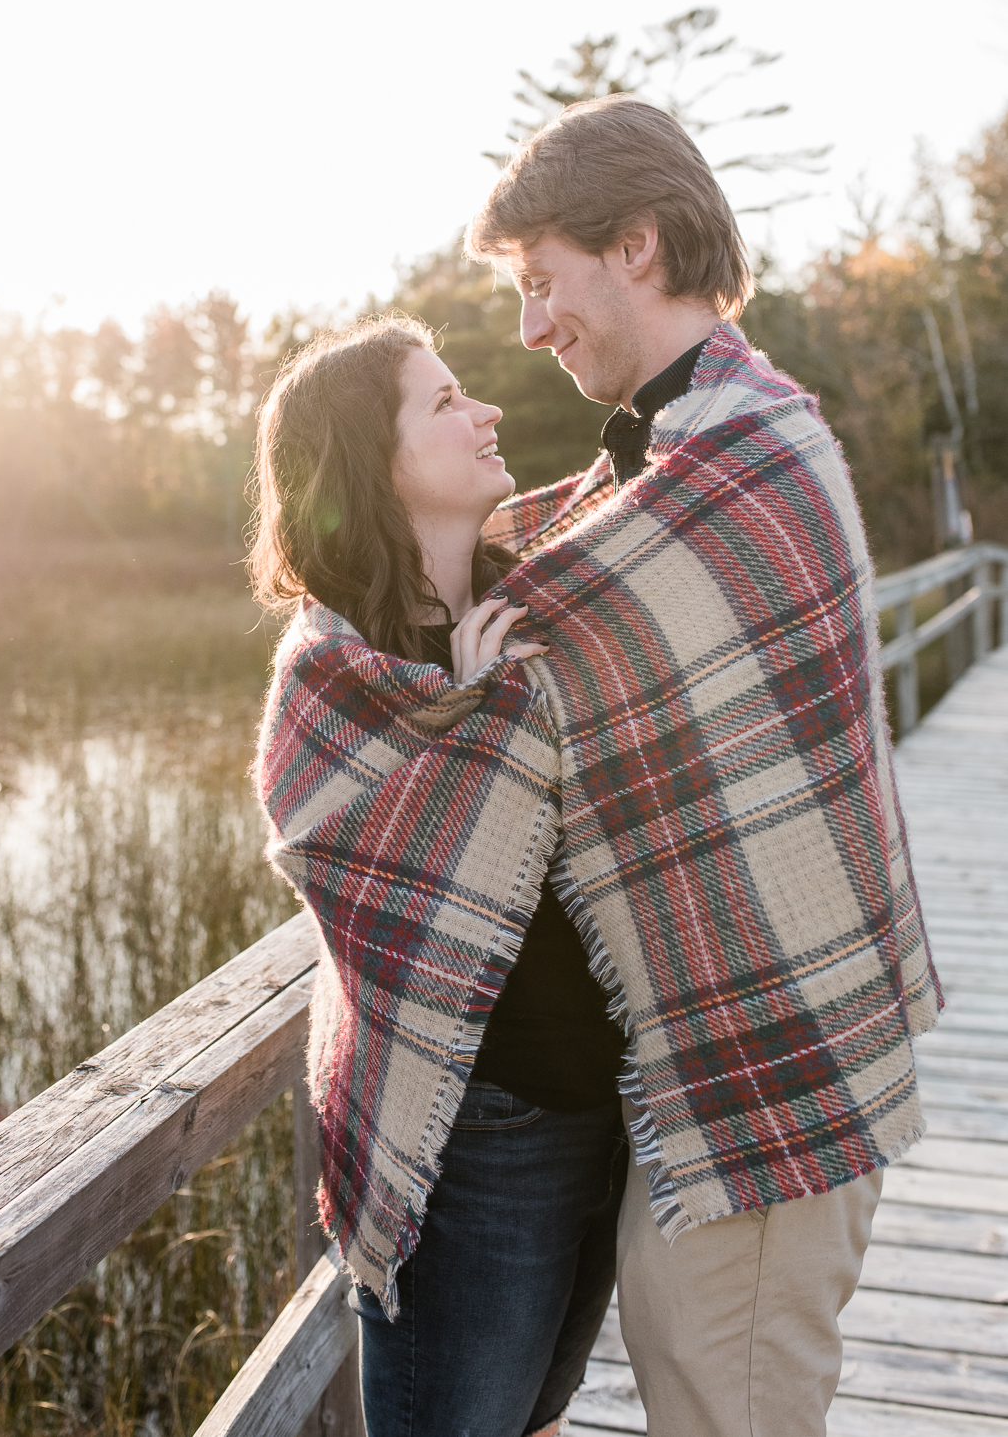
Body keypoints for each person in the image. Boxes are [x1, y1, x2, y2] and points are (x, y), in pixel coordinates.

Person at [463, 94, 942, 1437]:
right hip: (741, 1060)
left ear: (638, 244)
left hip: (767, 1075)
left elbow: (519, 641)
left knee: (725, 1404)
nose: (529, 326)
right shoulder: (686, 446)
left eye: (540, 281)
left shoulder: (737, 457)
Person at [251, 318, 629, 1437]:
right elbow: (319, 842)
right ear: (373, 462)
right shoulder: (337, 673)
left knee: (540, 1420)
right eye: (447, 401)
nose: (488, 412)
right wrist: (471, 723)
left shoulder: (547, 600)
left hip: (604, 1107)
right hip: (472, 1135)